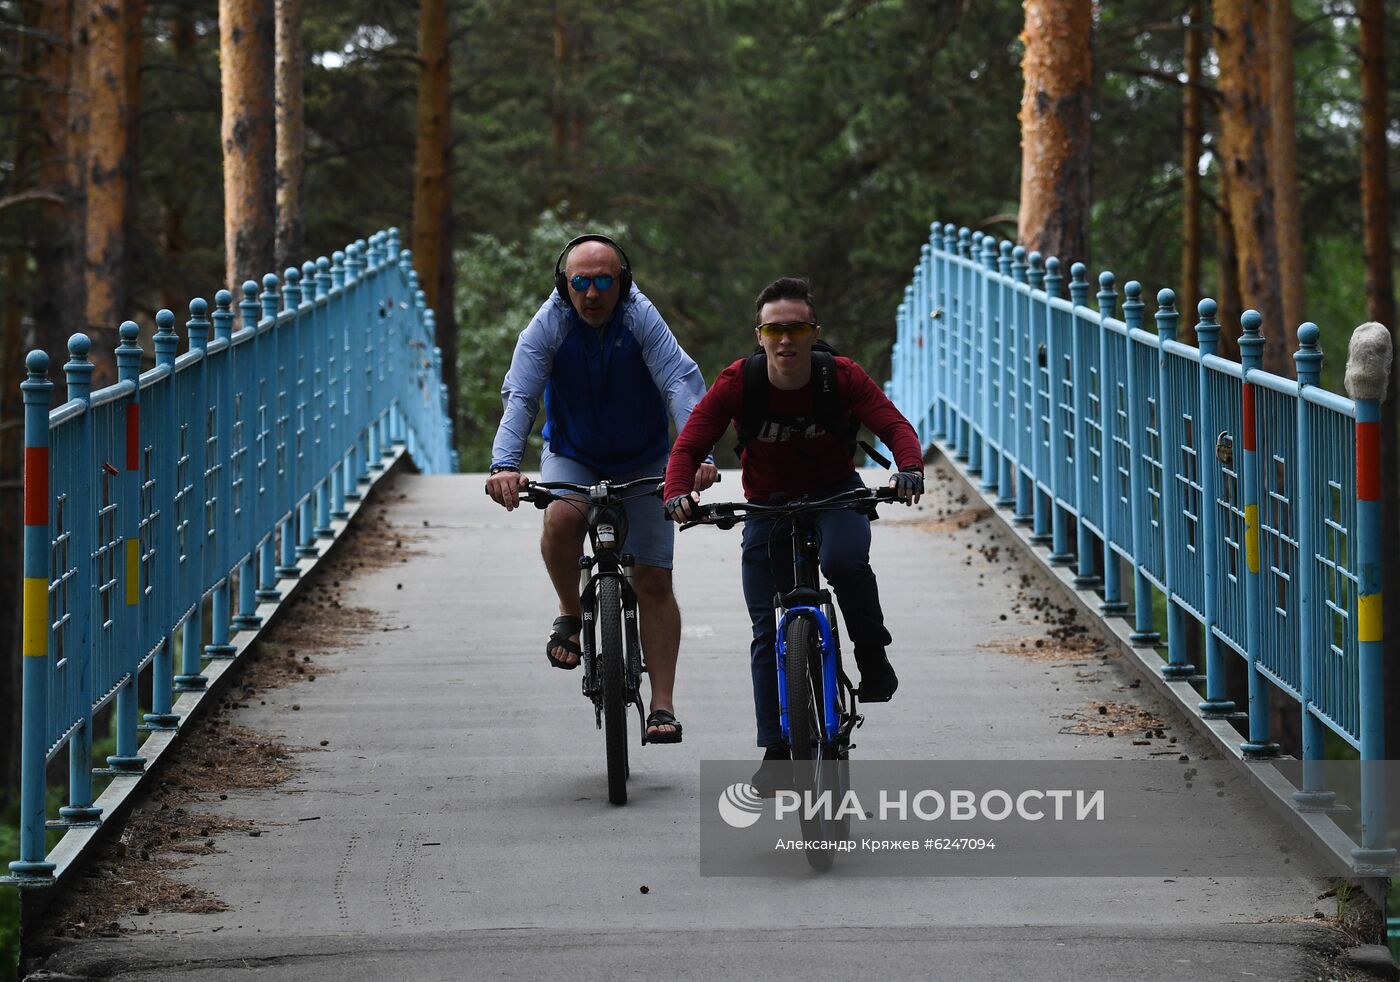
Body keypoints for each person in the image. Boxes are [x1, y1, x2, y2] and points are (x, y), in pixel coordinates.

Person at [662, 276, 923, 779]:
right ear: (759, 334)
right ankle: (778, 749)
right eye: (775, 329)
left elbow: (894, 426)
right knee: (767, 627)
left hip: (836, 494)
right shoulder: (739, 382)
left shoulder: (840, 376)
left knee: (844, 561)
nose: (786, 340)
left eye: (798, 329)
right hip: (767, 506)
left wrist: (907, 467)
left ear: (813, 331)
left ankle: (871, 653)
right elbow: (689, 445)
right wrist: (678, 493)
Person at [485, 234, 718, 744]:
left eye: (605, 282)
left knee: (654, 578)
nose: (593, 294)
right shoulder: (548, 324)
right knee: (563, 517)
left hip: (648, 456)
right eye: (581, 283)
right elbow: (521, 395)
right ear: (563, 285)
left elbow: (680, 382)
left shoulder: (640, 318)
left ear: (623, 283)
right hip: (575, 453)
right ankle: (571, 612)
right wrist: (505, 464)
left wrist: (696, 455)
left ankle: (662, 704)